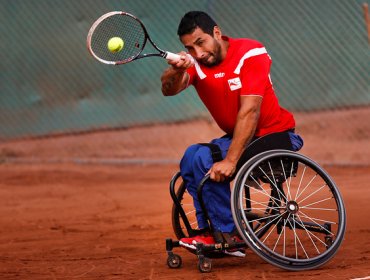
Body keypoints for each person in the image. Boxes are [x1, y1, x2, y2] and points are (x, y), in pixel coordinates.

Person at [160, 11, 303, 257]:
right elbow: (168, 89)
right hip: (242, 138)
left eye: (200, 42)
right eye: (189, 48)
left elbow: (250, 112)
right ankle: (210, 231)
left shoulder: (250, 53)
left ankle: (228, 234)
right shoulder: (196, 63)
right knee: (193, 155)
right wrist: (175, 70)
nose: (198, 53)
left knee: (207, 159)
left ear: (216, 32)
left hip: (275, 136)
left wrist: (231, 160)